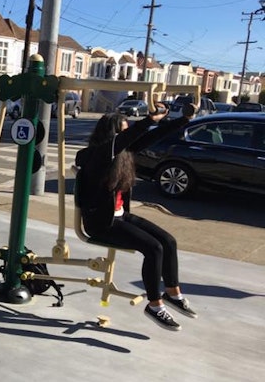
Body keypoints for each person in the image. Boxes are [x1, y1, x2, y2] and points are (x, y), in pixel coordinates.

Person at [74, 101, 198, 331]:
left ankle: (173, 293)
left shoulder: (123, 153)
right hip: (102, 222)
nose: (127, 135)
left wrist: (184, 119)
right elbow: (124, 140)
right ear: (112, 134)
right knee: (153, 248)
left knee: (168, 241)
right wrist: (148, 120)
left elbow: (150, 137)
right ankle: (154, 304)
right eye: (123, 130)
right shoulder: (96, 155)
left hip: (120, 216)